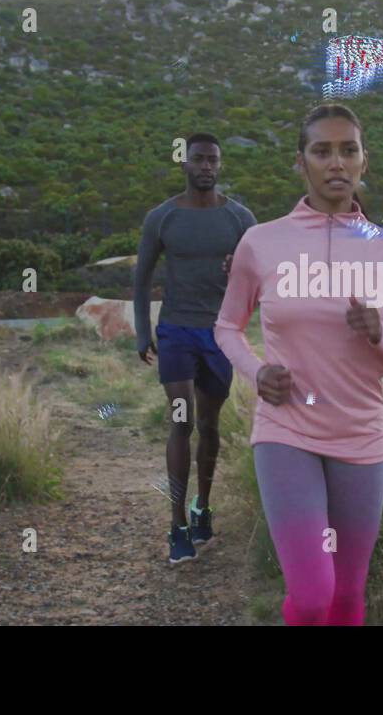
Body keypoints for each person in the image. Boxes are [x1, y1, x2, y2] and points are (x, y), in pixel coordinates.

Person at [214, 103, 383, 624]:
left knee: (346, 597)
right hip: (286, 431)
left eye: (348, 150)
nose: (336, 162)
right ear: (302, 163)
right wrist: (255, 373)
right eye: (322, 151)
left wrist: (382, 335)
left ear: (365, 161)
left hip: (362, 437)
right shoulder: (262, 242)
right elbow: (226, 327)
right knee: (314, 595)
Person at [133, 132, 256, 564]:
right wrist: (141, 330)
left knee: (210, 424)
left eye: (213, 160)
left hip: (221, 333)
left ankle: (202, 505)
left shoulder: (241, 219)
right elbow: (142, 276)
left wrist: (239, 270)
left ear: (220, 166)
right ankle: (177, 525)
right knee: (181, 419)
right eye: (199, 159)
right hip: (176, 332)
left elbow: (262, 277)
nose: (206, 166)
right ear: (185, 163)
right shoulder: (161, 218)